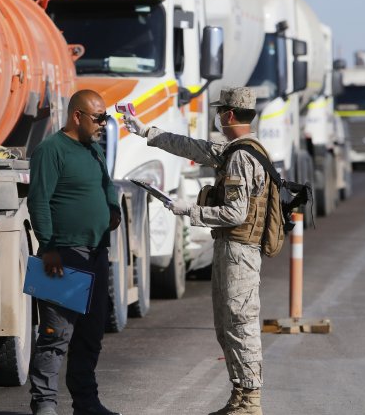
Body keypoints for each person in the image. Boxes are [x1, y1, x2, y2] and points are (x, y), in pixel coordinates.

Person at [124, 87, 268, 415]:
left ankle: (251, 401)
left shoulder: (242, 157)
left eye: (220, 112)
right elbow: (193, 147)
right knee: (227, 324)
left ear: (228, 115)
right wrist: (147, 130)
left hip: (240, 251)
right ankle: (240, 396)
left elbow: (236, 213)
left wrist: (189, 210)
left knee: (240, 323)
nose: (217, 116)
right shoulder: (238, 149)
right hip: (232, 249)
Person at [27, 89, 123, 415]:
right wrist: (49, 247)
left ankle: (86, 403)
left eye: (105, 117)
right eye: (98, 117)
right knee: (56, 335)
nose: (102, 124)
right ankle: (44, 404)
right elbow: (38, 200)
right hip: (63, 255)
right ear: (77, 116)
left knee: (90, 336)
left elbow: (107, 186)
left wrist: (112, 209)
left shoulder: (94, 150)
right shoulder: (51, 150)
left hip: (96, 255)